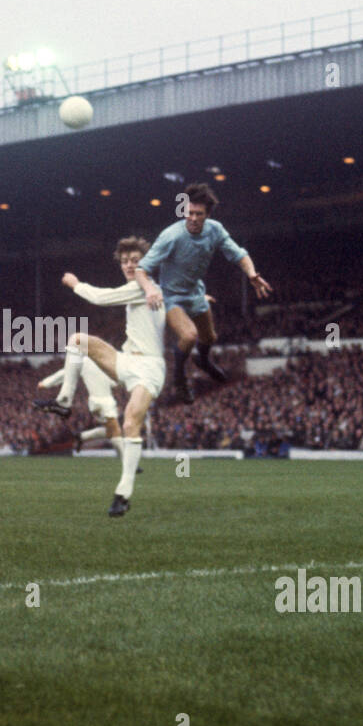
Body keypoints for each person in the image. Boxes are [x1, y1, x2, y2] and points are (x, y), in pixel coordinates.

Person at [33, 236, 164, 517]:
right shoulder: (146, 289)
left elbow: (100, 297)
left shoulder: (144, 289)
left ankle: (123, 493)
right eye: (125, 261)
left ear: (147, 262)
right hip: (127, 361)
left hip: (150, 368)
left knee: (129, 423)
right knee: (77, 339)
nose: (129, 265)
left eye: (135, 260)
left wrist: (74, 283)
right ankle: (64, 401)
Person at [133, 182, 272, 403]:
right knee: (189, 336)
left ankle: (203, 361)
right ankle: (179, 378)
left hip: (196, 292)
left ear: (207, 215)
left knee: (209, 337)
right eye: (189, 213)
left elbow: (239, 254)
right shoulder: (171, 236)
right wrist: (150, 289)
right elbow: (141, 270)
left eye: (199, 214)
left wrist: (252, 274)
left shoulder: (215, 230)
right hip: (171, 296)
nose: (193, 218)